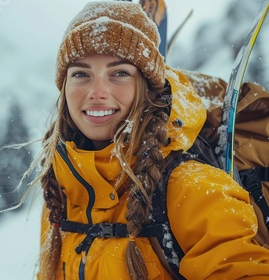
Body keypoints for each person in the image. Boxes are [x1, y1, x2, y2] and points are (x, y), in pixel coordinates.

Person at [30, 1, 269, 279]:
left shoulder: (192, 188)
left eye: (119, 73)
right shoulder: (62, 190)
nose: (97, 92)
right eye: (80, 74)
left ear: (146, 87)